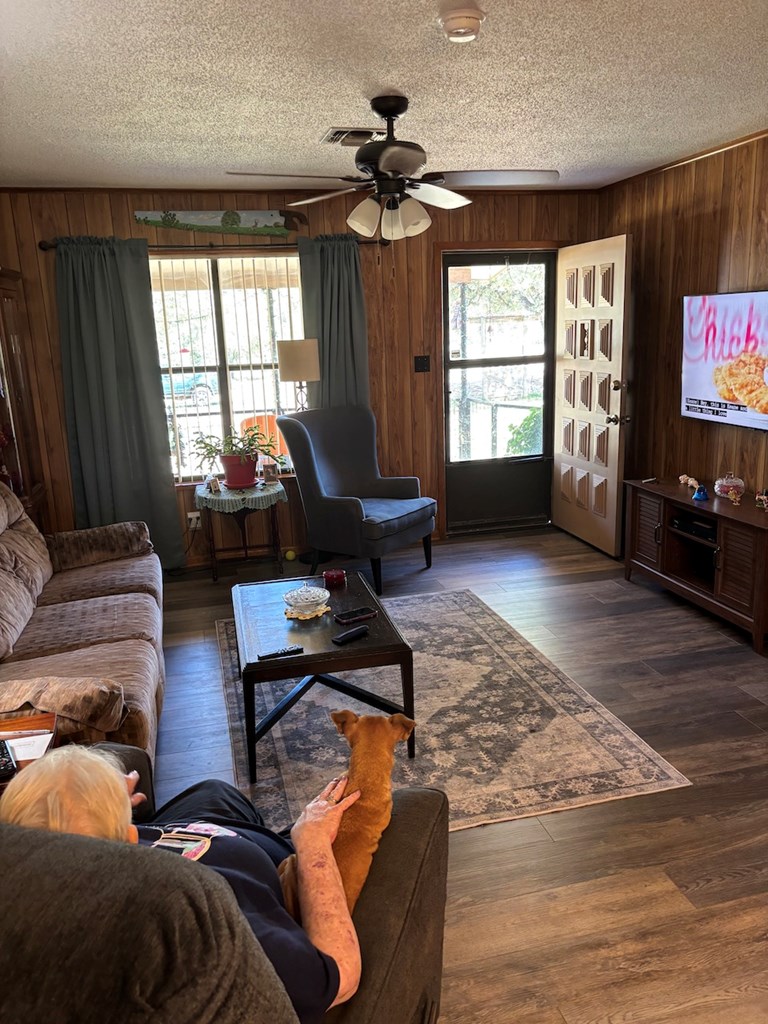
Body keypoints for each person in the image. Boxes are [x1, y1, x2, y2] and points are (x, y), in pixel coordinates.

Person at [0, 745, 361, 1024]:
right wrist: (311, 841)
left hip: (196, 838)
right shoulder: (190, 917)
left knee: (214, 790)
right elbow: (338, 978)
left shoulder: (48, 874)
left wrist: (101, 805)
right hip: (270, 870)